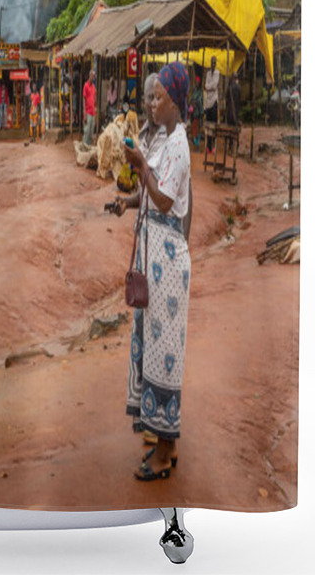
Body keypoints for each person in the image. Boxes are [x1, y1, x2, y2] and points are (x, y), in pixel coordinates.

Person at [120, 61, 192, 481]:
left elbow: (165, 200)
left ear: (175, 101)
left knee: (165, 358)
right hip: (156, 260)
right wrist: (138, 175)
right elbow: (152, 193)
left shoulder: (178, 144)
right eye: (152, 95)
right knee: (155, 350)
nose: (153, 102)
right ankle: (166, 443)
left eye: (159, 95)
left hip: (167, 264)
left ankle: (164, 455)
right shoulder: (167, 141)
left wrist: (140, 165)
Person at [203, 56, 220, 154]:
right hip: (208, 102)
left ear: (216, 63)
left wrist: (209, 86)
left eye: (214, 62)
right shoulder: (208, 73)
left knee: (213, 125)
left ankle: (213, 145)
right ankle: (208, 146)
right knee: (208, 124)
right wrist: (210, 86)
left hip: (214, 101)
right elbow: (206, 85)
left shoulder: (217, 73)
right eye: (211, 62)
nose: (213, 64)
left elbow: (214, 85)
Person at [188, 75, 204, 148]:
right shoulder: (194, 90)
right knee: (193, 128)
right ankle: (194, 141)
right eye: (196, 82)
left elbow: (199, 100)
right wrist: (192, 102)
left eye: (197, 82)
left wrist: (195, 102)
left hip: (198, 112)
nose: (196, 83)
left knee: (197, 128)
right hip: (193, 112)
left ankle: (197, 144)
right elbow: (191, 99)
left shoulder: (200, 91)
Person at [83, 69, 97, 146]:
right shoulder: (86, 85)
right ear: (90, 76)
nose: (93, 78)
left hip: (93, 112)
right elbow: (84, 100)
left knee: (91, 132)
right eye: (93, 76)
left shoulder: (93, 87)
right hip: (88, 112)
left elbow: (95, 97)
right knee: (86, 131)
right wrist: (84, 112)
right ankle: (84, 148)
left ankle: (89, 147)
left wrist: (95, 109)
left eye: (94, 76)